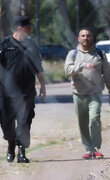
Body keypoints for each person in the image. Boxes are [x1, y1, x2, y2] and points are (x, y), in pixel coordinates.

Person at [0, 16, 46, 163]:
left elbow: (38, 67)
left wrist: (43, 86)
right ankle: (11, 144)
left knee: (24, 122)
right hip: (5, 94)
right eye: (28, 27)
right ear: (20, 28)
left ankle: (21, 152)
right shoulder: (4, 44)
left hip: (26, 92)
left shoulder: (31, 45)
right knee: (6, 124)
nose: (30, 30)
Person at [65, 27, 110, 159]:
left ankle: (96, 148)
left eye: (88, 36)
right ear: (78, 38)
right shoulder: (73, 54)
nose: (85, 38)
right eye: (83, 36)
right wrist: (81, 65)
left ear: (92, 38)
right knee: (82, 122)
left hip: (95, 92)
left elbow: (108, 75)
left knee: (94, 119)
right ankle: (88, 149)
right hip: (78, 93)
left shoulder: (100, 54)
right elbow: (68, 71)